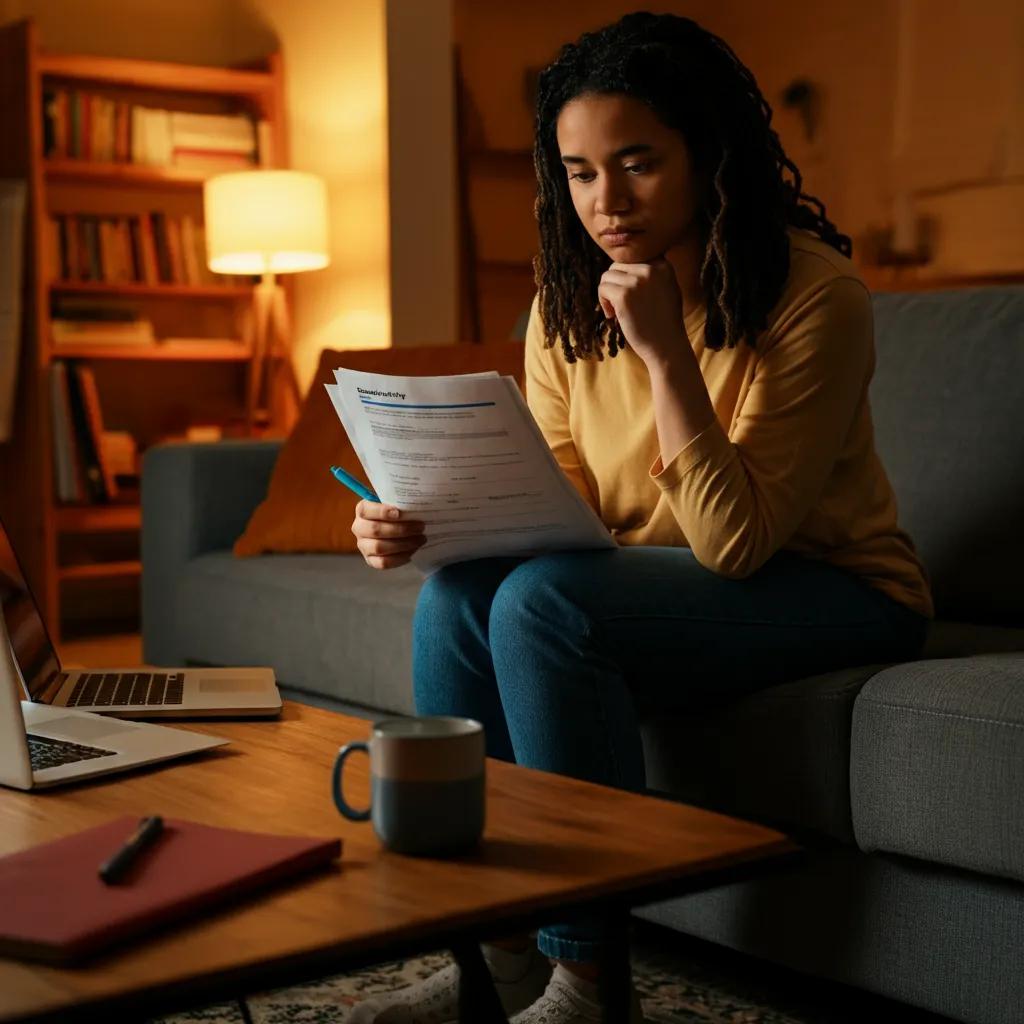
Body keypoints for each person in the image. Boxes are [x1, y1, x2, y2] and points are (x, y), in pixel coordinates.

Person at [348, 11, 933, 1024]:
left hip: (832, 586)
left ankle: (585, 974)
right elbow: (564, 503)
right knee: (455, 597)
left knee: (542, 605)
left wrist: (665, 355)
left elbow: (737, 542)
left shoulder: (813, 296)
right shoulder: (564, 301)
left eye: (636, 164)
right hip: (660, 577)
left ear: (708, 158)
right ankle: (496, 956)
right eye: (577, 173)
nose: (604, 202)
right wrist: (426, 524)